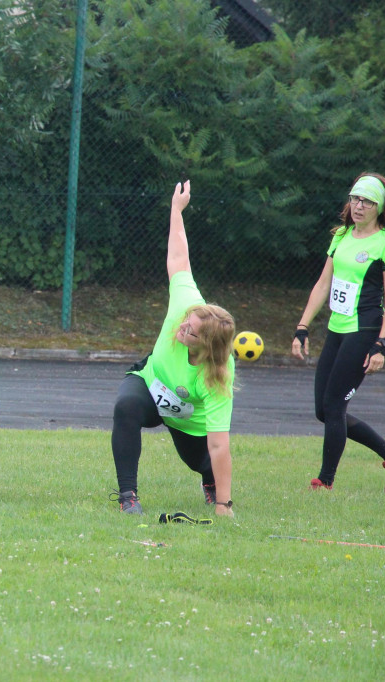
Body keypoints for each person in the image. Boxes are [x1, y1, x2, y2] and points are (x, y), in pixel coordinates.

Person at [110, 181, 236, 517]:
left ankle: (211, 485)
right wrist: (176, 210)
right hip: (151, 383)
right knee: (125, 407)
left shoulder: (217, 375)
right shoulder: (187, 303)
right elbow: (179, 258)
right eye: (186, 323)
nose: (182, 327)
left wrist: (224, 505)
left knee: (205, 462)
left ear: (207, 346)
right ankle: (128, 496)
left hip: (188, 414)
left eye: (190, 332)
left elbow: (220, 441)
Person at [291, 172, 385, 492]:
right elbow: (323, 285)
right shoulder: (342, 236)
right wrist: (302, 327)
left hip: (365, 330)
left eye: (367, 201)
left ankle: (325, 481)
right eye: (355, 199)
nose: (359, 206)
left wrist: (382, 344)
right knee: (324, 410)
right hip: (337, 328)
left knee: (334, 405)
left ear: (379, 207)